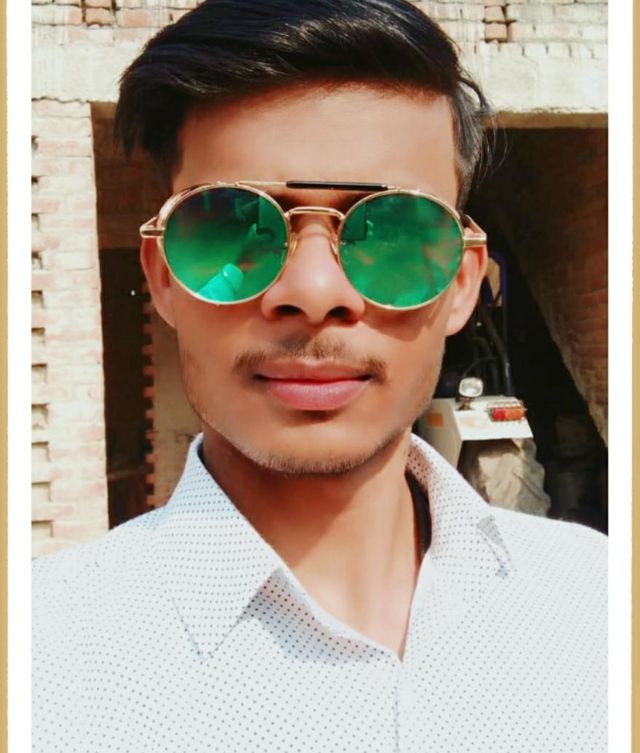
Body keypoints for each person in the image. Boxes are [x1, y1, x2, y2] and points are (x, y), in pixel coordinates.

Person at [32, 1, 607, 751]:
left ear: (464, 283)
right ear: (164, 277)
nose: (313, 291)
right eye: (232, 228)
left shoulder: (601, 606)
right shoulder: (43, 662)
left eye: (392, 232)